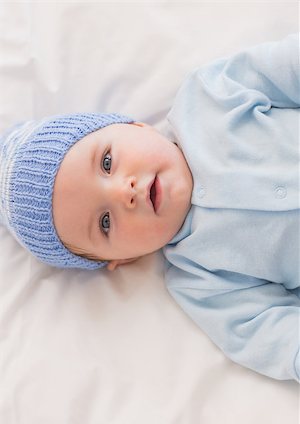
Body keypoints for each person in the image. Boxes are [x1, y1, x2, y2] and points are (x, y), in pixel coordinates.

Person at [0, 34, 299, 381]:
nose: (122, 193)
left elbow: (287, 68)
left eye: (107, 162)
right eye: (106, 223)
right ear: (124, 259)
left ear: (133, 125)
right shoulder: (202, 280)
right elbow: (272, 337)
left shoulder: (211, 96)